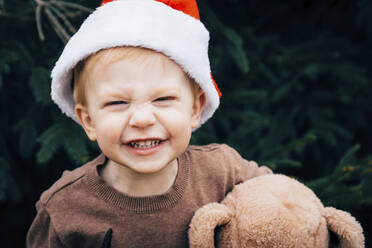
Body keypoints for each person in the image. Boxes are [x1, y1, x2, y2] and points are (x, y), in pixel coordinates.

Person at [26, 0, 272, 247]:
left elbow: (287, 205)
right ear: (89, 121)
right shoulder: (64, 210)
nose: (142, 119)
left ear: (195, 108)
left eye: (163, 99)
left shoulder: (225, 172)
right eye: (117, 103)